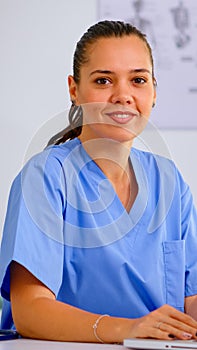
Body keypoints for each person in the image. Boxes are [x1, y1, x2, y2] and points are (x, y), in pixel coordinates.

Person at [0, 20, 197, 344]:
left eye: (138, 80)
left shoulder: (169, 182)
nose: (123, 95)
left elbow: (190, 298)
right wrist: (126, 329)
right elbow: (30, 310)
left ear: (154, 92)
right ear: (74, 90)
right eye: (104, 80)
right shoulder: (46, 177)